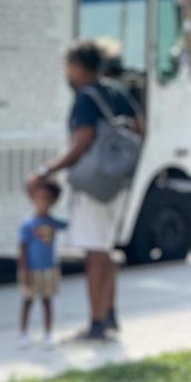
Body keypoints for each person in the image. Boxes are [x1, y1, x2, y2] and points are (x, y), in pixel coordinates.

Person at [27, 40, 144, 341]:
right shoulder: (116, 90)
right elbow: (140, 125)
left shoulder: (85, 98)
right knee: (107, 247)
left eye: (68, 66)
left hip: (92, 184)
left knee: (94, 252)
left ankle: (96, 322)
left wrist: (45, 170)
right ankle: (111, 313)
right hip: (115, 181)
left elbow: (82, 142)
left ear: (78, 67)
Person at [18, 180, 68, 348]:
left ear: (52, 202)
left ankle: (48, 334)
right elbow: (22, 249)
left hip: (49, 269)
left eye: (46, 199)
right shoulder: (27, 225)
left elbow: (70, 224)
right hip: (31, 269)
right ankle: (23, 333)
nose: (42, 203)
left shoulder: (53, 223)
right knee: (27, 301)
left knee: (47, 301)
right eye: (39, 199)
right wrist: (24, 270)